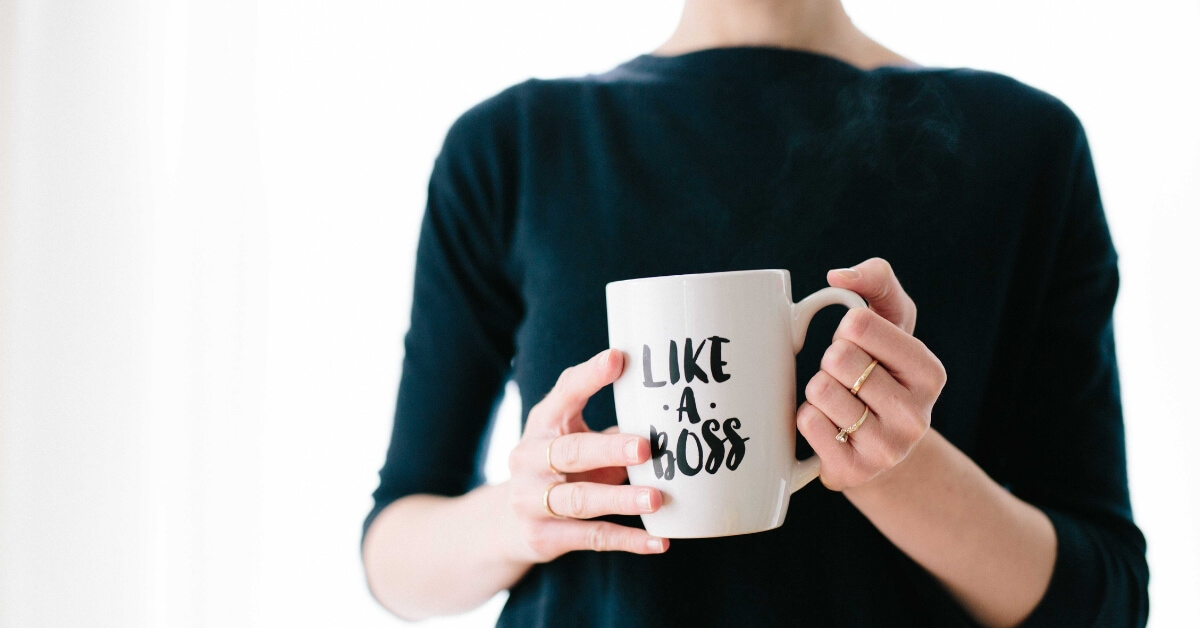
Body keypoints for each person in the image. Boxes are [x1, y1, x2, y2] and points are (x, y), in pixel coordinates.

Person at [361, 0, 1150, 626]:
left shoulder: (1025, 148)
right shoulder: (511, 149)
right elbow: (393, 552)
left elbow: (1105, 599)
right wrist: (522, 514)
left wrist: (899, 470)